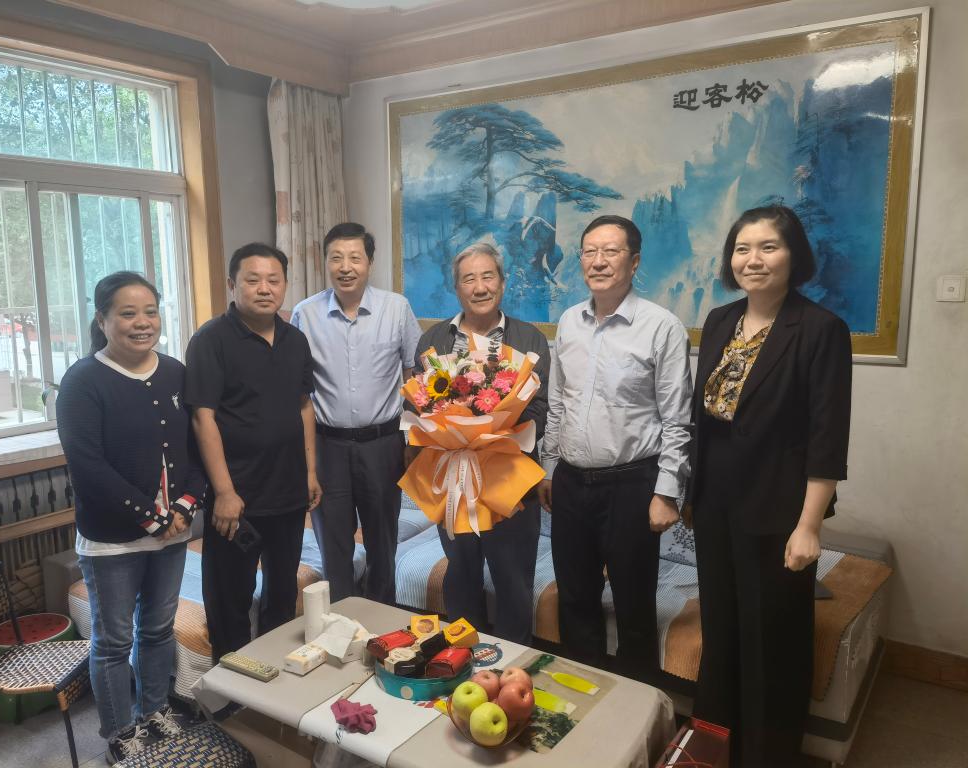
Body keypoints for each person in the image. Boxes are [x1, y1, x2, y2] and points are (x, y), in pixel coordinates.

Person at [688, 206, 852, 767]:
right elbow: (704, 421)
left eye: (768, 247)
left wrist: (809, 527)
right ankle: (712, 750)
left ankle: (766, 756)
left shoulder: (820, 329)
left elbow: (828, 439)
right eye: (742, 249)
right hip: (715, 506)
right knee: (721, 635)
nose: (752, 260)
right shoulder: (720, 321)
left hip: (777, 511)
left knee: (771, 645)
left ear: (793, 255)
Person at [538, 215, 692, 682]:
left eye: (611, 251)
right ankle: (581, 695)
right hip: (571, 481)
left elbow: (677, 419)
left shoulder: (661, 327)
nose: (598, 261)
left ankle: (635, 704)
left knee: (633, 603)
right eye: (589, 251)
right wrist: (549, 468)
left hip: (632, 485)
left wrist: (667, 492)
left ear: (634, 261)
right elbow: (558, 402)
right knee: (575, 597)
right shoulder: (569, 321)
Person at [57, 272, 203, 763]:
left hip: (173, 533)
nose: (142, 323)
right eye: (128, 313)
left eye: (150, 312)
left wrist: (185, 505)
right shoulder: (83, 380)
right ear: (103, 320)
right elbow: (87, 466)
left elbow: (197, 447)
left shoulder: (176, 372)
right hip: (113, 540)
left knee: (158, 629)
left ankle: (155, 709)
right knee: (114, 641)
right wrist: (151, 518)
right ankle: (120, 731)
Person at [185, 243, 322, 661]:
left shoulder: (295, 340)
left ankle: (274, 681)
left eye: (273, 280)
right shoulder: (211, 340)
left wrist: (310, 472)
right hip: (237, 501)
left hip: (288, 495)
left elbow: (304, 406)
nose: (265, 288)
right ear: (232, 284)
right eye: (253, 279)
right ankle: (230, 690)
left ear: (285, 285)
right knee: (230, 599)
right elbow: (202, 418)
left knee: (282, 594)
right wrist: (224, 492)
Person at [413, 242, 550, 645]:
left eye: (488, 276)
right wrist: (452, 431)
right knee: (460, 575)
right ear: (456, 288)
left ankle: (512, 665)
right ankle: (461, 657)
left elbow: (540, 410)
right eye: (469, 279)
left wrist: (489, 434)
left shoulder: (529, 339)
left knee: (513, 581)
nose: (479, 287)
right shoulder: (434, 339)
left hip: (510, 482)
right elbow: (418, 403)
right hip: (454, 482)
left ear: (502, 283)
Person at [290, 223, 421, 604]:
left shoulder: (396, 308)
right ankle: (341, 622)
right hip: (327, 446)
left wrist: (414, 441)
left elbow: (415, 377)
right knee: (334, 547)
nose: (345, 267)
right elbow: (298, 390)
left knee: (383, 543)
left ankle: (382, 620)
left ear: (370, 263)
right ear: (325, 262)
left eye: (355, 258)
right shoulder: (305, 314)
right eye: (336, 258)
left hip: (383, 444)